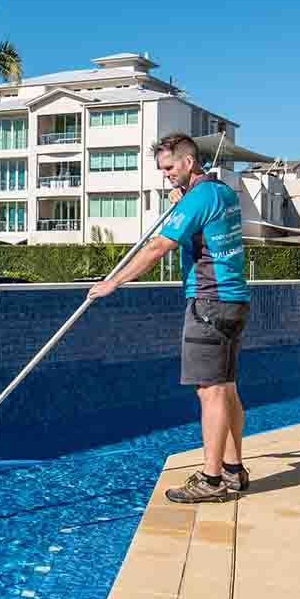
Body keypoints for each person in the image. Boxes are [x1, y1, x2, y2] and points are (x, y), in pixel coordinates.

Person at [88, 132, 251, 503]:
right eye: (161, 169)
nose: (165, 175)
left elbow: (159, 245)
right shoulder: (222, 193)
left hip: (209, 303)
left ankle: (211, 481)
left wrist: (114, 281)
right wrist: (184, 198)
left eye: (169, 167)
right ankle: (233, 471)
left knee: (209, 391)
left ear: (189, 162)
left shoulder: (199, 197)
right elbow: (202, 222)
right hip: (233, 300)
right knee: (226, 388)